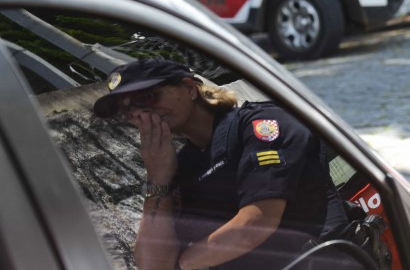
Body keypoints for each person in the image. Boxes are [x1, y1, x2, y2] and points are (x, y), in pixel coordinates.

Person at [92, 59, 352, 270]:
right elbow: (153, 265)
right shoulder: (180, 167)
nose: (138, 114)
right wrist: (157, 178)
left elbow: (255, 224)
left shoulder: (261, 124)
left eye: (147, 97)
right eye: (126, 111)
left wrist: (184, 264)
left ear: (190, 88)